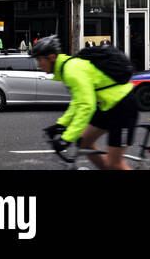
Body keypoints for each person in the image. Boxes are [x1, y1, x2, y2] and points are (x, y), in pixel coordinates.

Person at [30, 35, 137, 171]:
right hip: (108, 106)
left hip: (123, 106)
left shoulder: (71, 70)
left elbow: (87, 105)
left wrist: (67, 139)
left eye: (39, 60)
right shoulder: (66, 69)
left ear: (51, 57)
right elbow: (78, 102)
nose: (39, 65)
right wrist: (61, 125)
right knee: (84, 143)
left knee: (115, 164)